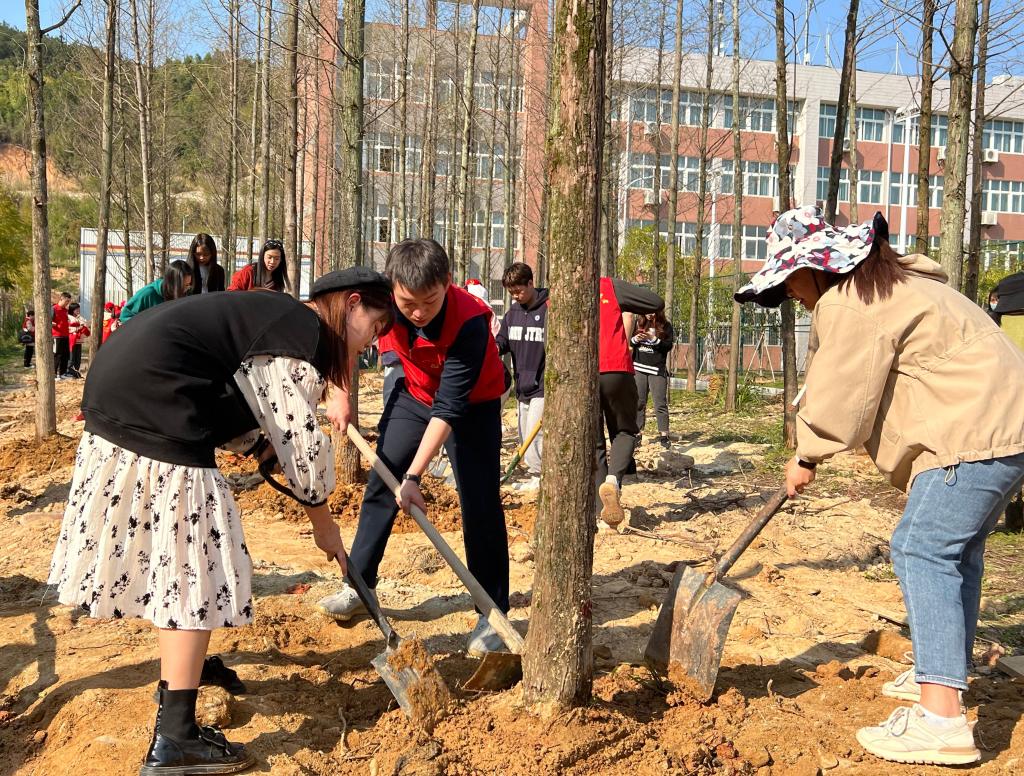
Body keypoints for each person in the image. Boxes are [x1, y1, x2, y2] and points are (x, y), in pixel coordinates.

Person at [48, 267, 394, 775]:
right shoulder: (300, 334)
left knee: (177, 556)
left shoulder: (275, 317)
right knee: (200, 563)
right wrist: (323, 520)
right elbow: (301, 447)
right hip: (156, 403)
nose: (372, 342)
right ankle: (175, 739)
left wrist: (260, 449)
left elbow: (232, 397)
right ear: (354, 303)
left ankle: (183, 670)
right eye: (376, 326)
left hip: (123, 388)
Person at [736, 205, 1024, 768]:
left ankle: (941, 722)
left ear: (817, 267)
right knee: (956, 553)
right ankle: (941, 671)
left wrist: (806, 454)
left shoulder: (852, 302)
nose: (790, 292)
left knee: (922, 549)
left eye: (790, 278)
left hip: (972, 432)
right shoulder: (897, 285)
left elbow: (842, 396)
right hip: (1002, 428)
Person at [317, 238, 511, 657]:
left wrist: (413, 477)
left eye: (430, 301)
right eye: (408, 304)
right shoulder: (381, 301)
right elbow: (345, 338)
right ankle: (360, 584)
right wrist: (341, 392)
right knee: (380, 481)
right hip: (416, 395)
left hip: (472, 406)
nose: (419, 313)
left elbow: (450, 408)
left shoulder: (470, 321)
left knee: (479, 503)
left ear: (448, 282)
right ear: (393, 288)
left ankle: (492, 611)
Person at [596, 277, 664, 526]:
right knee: (625, 430)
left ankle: (600, 514)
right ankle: (613, 482)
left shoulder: (558, 291)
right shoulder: (607, 286)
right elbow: (655, 302)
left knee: (595, 444)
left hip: (582, 376)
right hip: (615, 368)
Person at [496, 262, 548, 490]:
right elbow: (503, 340)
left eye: (519, 291)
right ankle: (534, 472)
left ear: (531, 283)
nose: (516, 296)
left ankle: (539, 475)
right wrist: (494, 347)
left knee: (534, 434)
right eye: (512, 293)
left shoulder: (548, 309)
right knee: (523, 433)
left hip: (543, 384)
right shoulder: (512, 313)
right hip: (521, 385)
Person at [631, 310, 674, 448]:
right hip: (639, 368)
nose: (650, 314)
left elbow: (668, 346)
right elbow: (629, 342)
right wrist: (636, 339)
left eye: (652, 312)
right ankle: (637, 434)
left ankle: (664, 436)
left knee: (660, 403)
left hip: (656, 370)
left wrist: (654, 339)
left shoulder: (666, 325)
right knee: (639, 402)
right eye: (646, 311)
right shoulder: (637, 323)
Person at [120, 261, 194, 325]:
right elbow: (125, 316)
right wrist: (147, 325)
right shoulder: (148, 293)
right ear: (171, 283)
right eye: (183, 286)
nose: (186, 289)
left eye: (188, 285)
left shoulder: (183, 294)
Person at [66, 302, 91, 378]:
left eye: (79, 309)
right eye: (76, 309)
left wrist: (82, 322)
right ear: (72, 309)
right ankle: (70, 372)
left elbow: (85, 324)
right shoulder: (68, 317)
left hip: (79, 340)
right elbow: (67, 328)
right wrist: (77, 328)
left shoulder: (80, 317)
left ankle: (76, 373)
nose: (78, 311)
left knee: (78, 358)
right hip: (72, 340)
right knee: (71, 358)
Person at [51, 292, 72, 381]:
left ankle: (62, 373)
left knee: (65, 355)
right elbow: (48, 321)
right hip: (57, 336)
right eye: (66, 301)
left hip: (66, 335)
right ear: (61, 299)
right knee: (57, 355)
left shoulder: (65, 310)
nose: (67, 303)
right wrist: (55, 324)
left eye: (69, 301)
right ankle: (54, 374)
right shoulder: (53, 309)